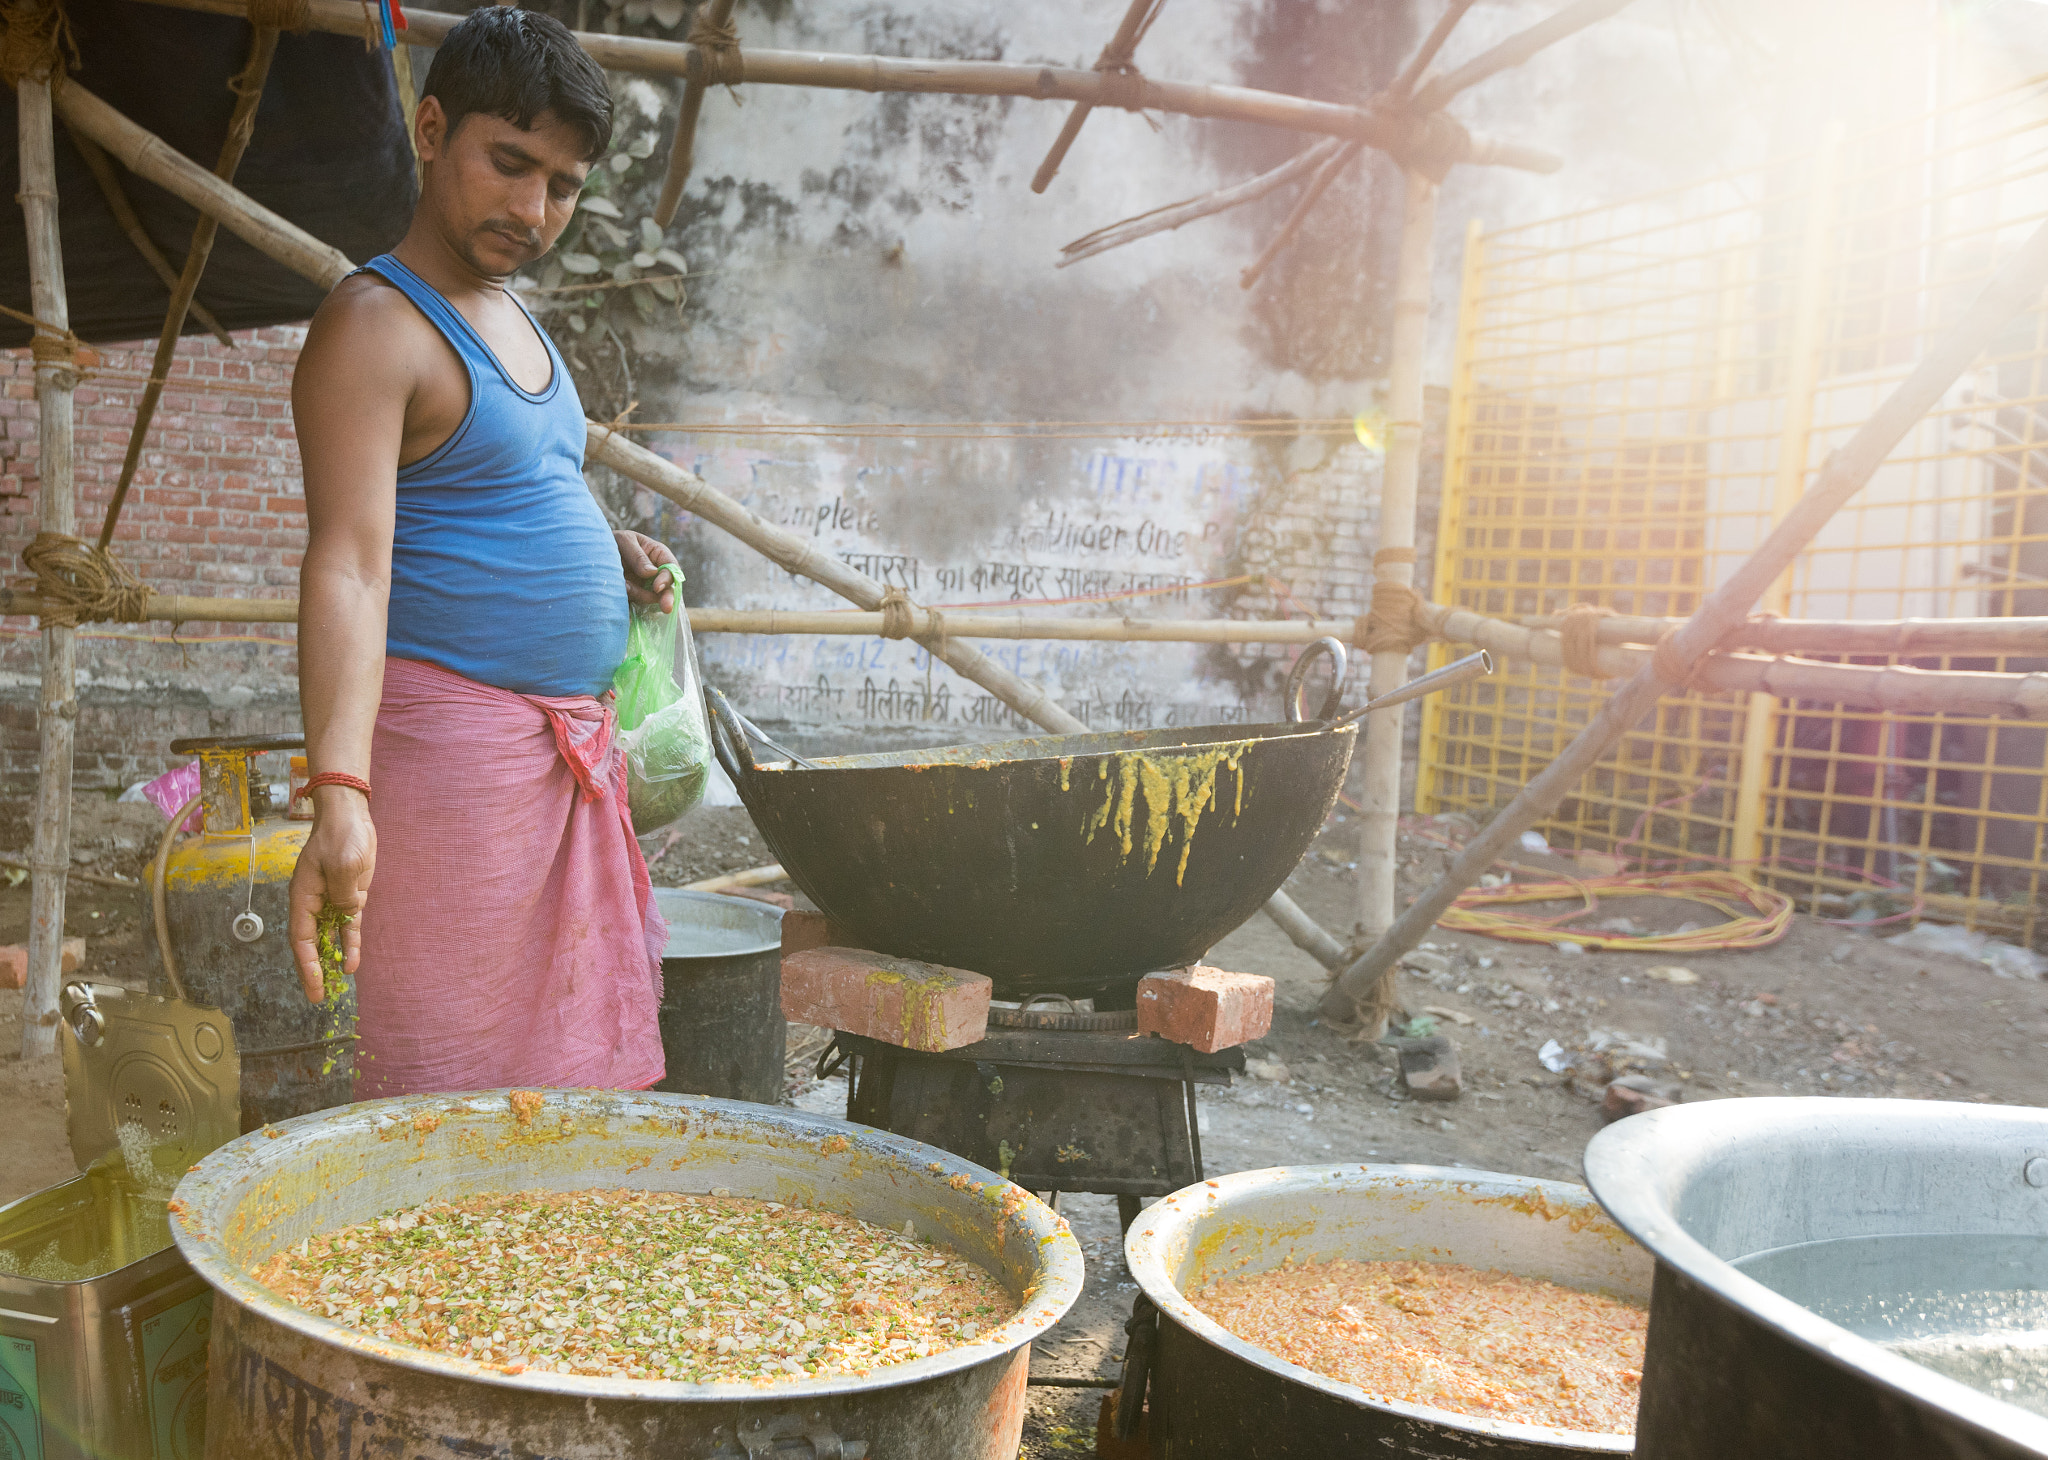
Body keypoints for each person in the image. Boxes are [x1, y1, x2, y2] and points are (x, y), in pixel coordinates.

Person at [286, 6, 672, 1096]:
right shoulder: (376, 324)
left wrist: (606, 547)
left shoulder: (515, 319)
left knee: (561, 1093)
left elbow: (500, 489)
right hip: (453, 763)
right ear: (427, 129)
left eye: (560, 185)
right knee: (449, 1083)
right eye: (508, 163)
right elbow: (351, 565)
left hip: (557, 767)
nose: (531, 207)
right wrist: (341, 792)